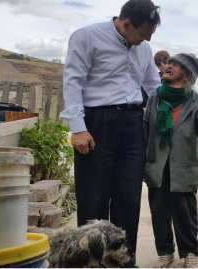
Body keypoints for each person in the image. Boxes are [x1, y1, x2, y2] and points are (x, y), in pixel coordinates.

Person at [60, 0, 161, 266]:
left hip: (132, 124)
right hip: (97, 123)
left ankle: (123, 261)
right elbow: (73, 82)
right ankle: (90, 261)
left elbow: (154, 87)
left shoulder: (144, 47)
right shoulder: (88, 36)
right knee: (93, 196)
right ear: (126, 24)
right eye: (143, 33)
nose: (148, 39)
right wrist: (78, 128)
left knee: (128, 197)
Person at [144, 53, 198, 268]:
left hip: (183, 166)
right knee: (159, 212)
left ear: (187, 75)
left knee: (185, 213)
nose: (168, 66)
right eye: (168, 63)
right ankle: (165, 252)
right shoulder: (155, 98)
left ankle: (190, 252)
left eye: (175, 65)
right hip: (157, 165)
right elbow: (145, 130)